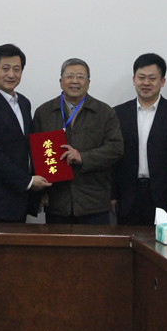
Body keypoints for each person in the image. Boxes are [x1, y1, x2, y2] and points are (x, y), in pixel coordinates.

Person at [32, 58, 123, 224]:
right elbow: (35, 156)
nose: (75, 81)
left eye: (80, 77)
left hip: (94, 202)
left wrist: (83, 157)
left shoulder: (104, 112)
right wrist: (40, 194)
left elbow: (115, 148)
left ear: (88, 83)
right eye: (69, 76)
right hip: (57, 202)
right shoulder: (44, 113)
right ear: (61, 81)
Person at [0, 44, 51, 222]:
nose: (11, 74)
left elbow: (28, 146)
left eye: (16, 69)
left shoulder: (24, 103)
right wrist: (28, 182)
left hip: (17, 200)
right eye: (5, 69)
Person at [112, 53, 167, 225]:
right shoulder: (118, 113)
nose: (146, 83)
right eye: (141, 77)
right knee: (128, 240)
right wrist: (113, 194)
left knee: (163, 242)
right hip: (128, 196)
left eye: (152, 78)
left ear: (162, 81)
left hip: (165, 196)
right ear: (134, 79)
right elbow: (112, 157)